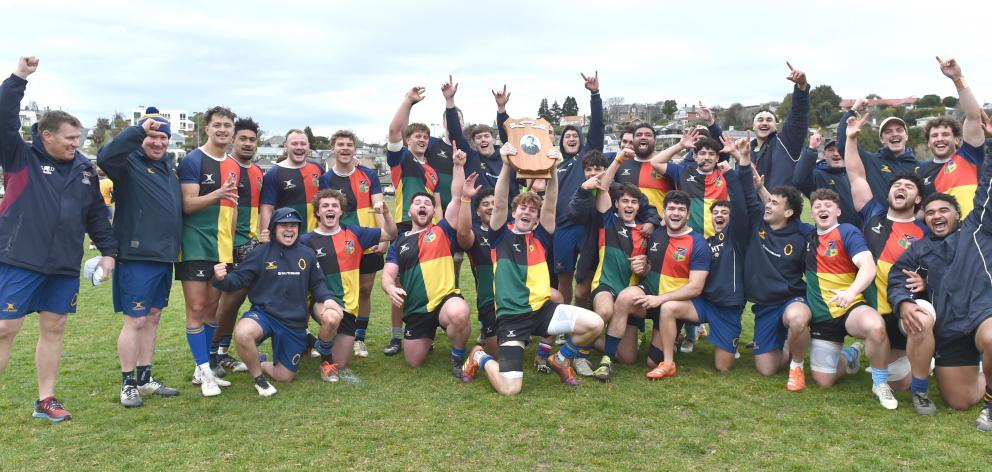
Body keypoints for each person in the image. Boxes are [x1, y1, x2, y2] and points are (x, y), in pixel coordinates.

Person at [0, 56, 117, 422]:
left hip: (64, 263)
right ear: (46, 136)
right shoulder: (20, 156)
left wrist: (109, 253)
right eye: (70, 138)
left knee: (55, 326)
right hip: (20, 258)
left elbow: (96, 214)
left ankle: (46, 400)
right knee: (5, 328)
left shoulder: (84, 169)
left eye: (78, 138)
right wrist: (19, 77)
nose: (76, 144)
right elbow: (4, 116)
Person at [460, 143, 605, 394]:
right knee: (510, 389)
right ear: (514, 213)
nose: (527, 212)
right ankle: (479, 356)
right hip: (512, 318)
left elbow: (551, 202)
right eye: (523, 208)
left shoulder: (541, 236)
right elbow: (500, 200)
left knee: (595, 323)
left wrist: (554, 169)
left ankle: (560, 359)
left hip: (542, 312)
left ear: (537, 218)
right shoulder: (499, 235)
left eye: (532, 210)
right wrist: (506, 165)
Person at [97, 108, 183, 408]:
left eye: (163, 138)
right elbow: (104, 157)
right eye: (151, 137)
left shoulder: (169, 169)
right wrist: (138, 130)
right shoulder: (128, 163)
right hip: (136, 256)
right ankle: (128, 383)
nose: (157, 142)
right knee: (135, 319)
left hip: (163, 257)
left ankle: (145, 378)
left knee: (153, 317)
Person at [844, 110, 930, 411]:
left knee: (902, 382)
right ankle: (876, 376)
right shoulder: (873, 214)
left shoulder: (925, 232)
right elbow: (856, 174)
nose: (900, 188)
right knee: (875, 332)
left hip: (900, 308)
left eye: (908, 187)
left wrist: (925, 282)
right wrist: (851, 139)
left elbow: (937, 271)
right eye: (896, 185)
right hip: (868, 306)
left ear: (918, 199)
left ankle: (863, 355)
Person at [212, 208, 343, 397]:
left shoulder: (307, 254)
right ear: (274, 228)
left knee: (284, 376)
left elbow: (318, 283)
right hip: (264, 315)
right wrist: (220, 279)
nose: (289, 229)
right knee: (243, 332)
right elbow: (238, 280)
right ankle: (259, 380)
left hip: (293, 322)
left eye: (293, 225)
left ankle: (261, 363)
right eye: (284, 225)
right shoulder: (259, 253)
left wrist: (328, 299)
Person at [381, 147, 470, 378]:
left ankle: (458, 357)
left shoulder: (443, 231)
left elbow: (457, 198)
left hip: (444, 301)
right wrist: (390, 288)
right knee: (413, 362)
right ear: (409, 211)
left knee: (460, 313)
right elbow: (388, 275)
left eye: (427, 203)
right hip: (417, 310)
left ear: (433, 211)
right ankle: (427, 336)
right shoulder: (399, 242)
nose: (422, 205)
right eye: (417, 203)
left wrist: (458, 166)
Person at [804, 189, 896, 410]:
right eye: (817, 206)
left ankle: (880, 383)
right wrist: (759, 188)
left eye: (828, 205)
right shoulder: (807, 236)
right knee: (823, 381)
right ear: (812, 213)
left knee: (875, 326)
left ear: (838, 211)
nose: (823, 209)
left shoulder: (847, 231)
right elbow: (776, 208)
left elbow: (868, 266)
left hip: (849, 306)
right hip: (822, 315)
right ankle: (850, 354)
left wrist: (851, 292)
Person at [608, 189, 710, 380]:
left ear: (688, 215)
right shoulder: (656, 235)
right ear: (664, 212)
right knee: (626, 354)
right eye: (671, 208)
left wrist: (661, 299)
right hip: (649, 296)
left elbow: (696, 287)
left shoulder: (698, 243)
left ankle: (673, 340)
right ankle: (605, 352)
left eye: (681, 209)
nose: (676, 213)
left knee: (652, 362)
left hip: (671, 305)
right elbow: (649, 269)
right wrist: (641, 268)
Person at [176, 105, 240, 396]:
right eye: (218, 125)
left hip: (222, 248)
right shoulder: (193, 160)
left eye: (227, 125)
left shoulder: (233, 165)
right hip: (195, 245)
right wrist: (217, 194)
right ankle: (205, 372)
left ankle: (201, 367)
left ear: (233, 131)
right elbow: (187, 204)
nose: (222, 130)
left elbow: (232, 208)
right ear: (208, 128)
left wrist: (232, 244)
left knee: (213, 308)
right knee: (196, 308)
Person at [301, 189, 396, 383]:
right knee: (331, 319)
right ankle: (326, 363)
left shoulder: (355, 233)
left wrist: (386, 214)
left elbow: (390, 234)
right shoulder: (305, 241)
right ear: (317, 212)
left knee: (342, 362)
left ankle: (311, 341)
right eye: (325, 206)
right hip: (321, 301)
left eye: (334, 206)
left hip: (349, 307)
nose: (330, 209)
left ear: (341, 211)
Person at [383, 86, 442, 357]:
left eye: (426, 136)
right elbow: (394, 130)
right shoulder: (401, 161)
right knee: (399, 284)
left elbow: (437, 203)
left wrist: (440, 228)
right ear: (407, 141)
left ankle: (425, 332)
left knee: (428, 282)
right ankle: (397, 336)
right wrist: (408, 101)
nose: (422, 139)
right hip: (405, 227)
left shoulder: (432, 171)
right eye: (417, 135)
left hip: (430, 230)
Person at [580, 151, 650, 381]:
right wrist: (618, 160)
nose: (629, 205)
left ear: (638, 207)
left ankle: (584, 337)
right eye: (625, 201)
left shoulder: (646, 232)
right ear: (617, 204)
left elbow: (651, 268)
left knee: (628, 357)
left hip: (628, 295)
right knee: (604, 311)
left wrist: (644, 267)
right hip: (606, 285)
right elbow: (603, 185)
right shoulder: (608, 220)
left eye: (634, 202)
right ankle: (599, 359)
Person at [318, 130, 387, 359]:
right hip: (339, 244)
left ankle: (359, 338)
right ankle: (336, 331)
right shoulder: (326, 179)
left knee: (365, 290)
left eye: (349, 144)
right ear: (333, 149)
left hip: (366, 241)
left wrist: (383, 237)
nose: (345, 148)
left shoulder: (369, 175)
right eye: (341, 144)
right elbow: (324, 209)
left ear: (354, 149)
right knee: (340, 290)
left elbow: (378, 206)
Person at [742, 178, 814, 391]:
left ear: (789, 213)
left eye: (775, 203)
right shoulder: (759, 222)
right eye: (769, 201)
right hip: (765, 305)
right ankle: (787, 342)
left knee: (797, 319)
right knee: (766, 369)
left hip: (791, 298)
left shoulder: (802, 234)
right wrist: (759, 187)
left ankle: (797, 367)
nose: (768, 205)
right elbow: (763, 203)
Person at [210, 117, 263, 376]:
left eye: (252, 139)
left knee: (236, 302)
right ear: (233, 140)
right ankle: (209, 355)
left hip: (250, 246)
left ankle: (221, 352)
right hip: (227, 246)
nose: (247, 143)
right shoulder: (225, 166)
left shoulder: (258, 172)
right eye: (242, 138)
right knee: (223, 303)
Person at [916, 57, 984, 218]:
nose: (939, 139)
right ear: (929, 143)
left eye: (945, 134)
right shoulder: (920, 171)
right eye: (934, 136)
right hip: (944, 233)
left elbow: (974, 116)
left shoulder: (969, 155)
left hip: (977, 229)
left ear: (958, 140)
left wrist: (957, 78)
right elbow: (920, 212)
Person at [748, 62, 810, 190]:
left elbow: (798, 117)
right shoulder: (746, 151)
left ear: (776, 126)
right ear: (753, 126)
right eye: (760, 120)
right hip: (752, 203)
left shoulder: (786, 142)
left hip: (780, 202)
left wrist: (801, 87)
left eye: (769, 120)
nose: (764, 123)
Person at [456, 181, 499, 356]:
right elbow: (463, 234)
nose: (491, 207)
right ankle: (484, 331)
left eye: (495, 203)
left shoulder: (511, 230)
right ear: (478, 211)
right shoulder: (474, 233)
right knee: (500, 356)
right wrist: (466, 198)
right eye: (485, 204)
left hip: (514, 299)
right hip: (489, 301)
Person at [259, 129, 323, 233]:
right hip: (288, 236)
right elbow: (267, 209)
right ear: (285, 146)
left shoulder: (317, 168)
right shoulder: (273, 173)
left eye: (303, 144)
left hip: (316, 235)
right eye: (294, 143)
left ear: (308, 146)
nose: (299, 147)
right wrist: (266, 237)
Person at [793, 129, 860, 227]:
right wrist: (811, 149)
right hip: (828, 234)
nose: (836, 153)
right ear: (824, 155)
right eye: (831, 150)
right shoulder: (817, 176)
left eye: (840, 150)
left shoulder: (856, 175)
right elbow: (799, 180)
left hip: (858, 233)